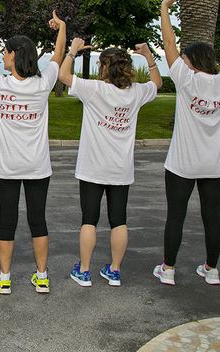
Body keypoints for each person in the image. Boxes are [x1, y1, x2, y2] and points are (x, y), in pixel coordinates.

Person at [153, 0, 220, 286]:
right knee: (213, 217)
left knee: (176, 216)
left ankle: (168, 270)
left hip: (182, 166)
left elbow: (169, 44)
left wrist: (164, 9)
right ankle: (212, 270)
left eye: (185, 60)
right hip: (215, 166)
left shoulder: (187, 80)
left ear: (193, 63)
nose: (180, 61)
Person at [0, 12, 67, 295]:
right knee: (38, 220)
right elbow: (58, 56)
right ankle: (41, 276)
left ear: (14, 55)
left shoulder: (0, 85)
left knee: (7, 221)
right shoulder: (43, 83)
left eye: (5, 52)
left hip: (7, 167)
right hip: (37, 166)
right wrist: (61, 28)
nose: (2, 56)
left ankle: (4, 278)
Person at [59, 38, 162, 287]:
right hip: (120, 168)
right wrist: (148, 56)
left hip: (93, 167)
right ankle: (114, 270)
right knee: (119, 219)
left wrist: (72, 50)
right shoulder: (136, 93)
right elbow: (157, 83)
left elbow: (63, 75)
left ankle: (84, 271)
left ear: (104, 67)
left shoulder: (95, 89)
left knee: (89, 219)